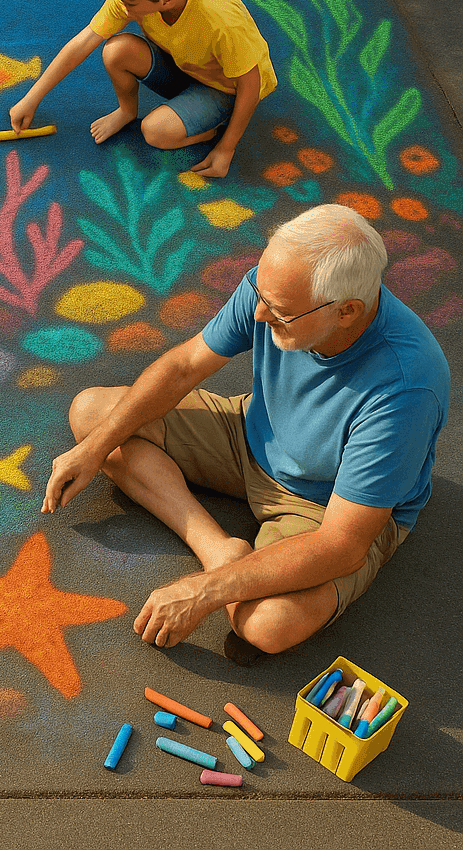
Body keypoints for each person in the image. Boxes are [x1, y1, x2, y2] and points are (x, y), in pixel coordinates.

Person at [42, 204, 448, 663]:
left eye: (278, 311)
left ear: (347, 311)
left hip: (324, 506)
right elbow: (182, 367)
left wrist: (202, 592)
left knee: (266, 625)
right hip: (249, 435)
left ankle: (230, 569)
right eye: (262, 294)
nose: (257, 314)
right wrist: (94, 450)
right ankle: (216, 546)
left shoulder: (406, 389)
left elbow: (342, 545)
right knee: (93, 415)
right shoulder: (277, 288)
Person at [9, 0, 277, 179]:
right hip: (187, 67)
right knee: (116, 50)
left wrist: (226, 147)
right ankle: (127, 111)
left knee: (155, 132)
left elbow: (251, 84)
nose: (122, 9)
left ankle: (210, 130)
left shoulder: (222, 22)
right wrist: (32, 98)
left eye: (129, 4)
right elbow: (83, 42)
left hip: (226, 89)